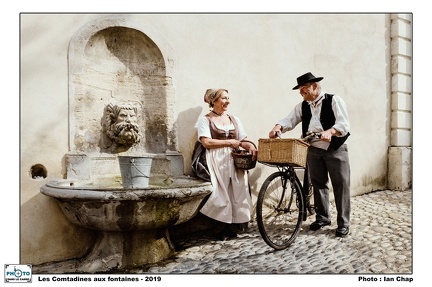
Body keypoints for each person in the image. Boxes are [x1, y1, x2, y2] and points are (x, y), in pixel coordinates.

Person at [268, 72, 351, 238]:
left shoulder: (333, 100)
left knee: (341, 185)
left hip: (334, 148)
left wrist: (331, 131)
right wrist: (278, 127)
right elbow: (289, 120)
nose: (301, 92)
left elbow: (344, 124)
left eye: (304, 89)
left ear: (315, 86)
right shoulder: (302, 106)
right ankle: (323, 218)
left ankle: (343, 223)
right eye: (300, 90)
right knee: (318, 184)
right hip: (313, 149)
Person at [197, 88, 257, 240]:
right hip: (216, 159)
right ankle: (219, 230)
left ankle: (233, 227)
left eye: (228, 98)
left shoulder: (234, 119)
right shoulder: (206, 120)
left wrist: (250, 146)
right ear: (214, 101)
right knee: (220, 192)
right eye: (223, 98)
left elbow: (242, 140)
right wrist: (229, 142)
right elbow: (206, 142)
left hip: (235, 159)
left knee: (237, 190)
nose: (227, 101)